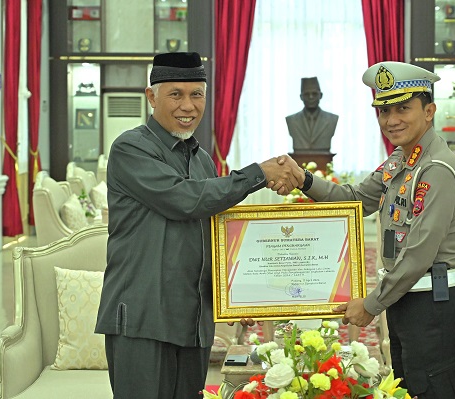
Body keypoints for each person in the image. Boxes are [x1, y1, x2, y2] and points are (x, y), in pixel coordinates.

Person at [94, 52, 304, 399]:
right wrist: (259, 174)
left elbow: (211, 237)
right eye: (175, 94)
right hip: (143, 319)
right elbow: (185, 199)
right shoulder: (130, 148)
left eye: (197, 94)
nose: (188, 105)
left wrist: (237, 297)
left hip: (193, 323)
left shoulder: (202, 159)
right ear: (152, 97)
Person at [291, 62, 455, 399]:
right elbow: (354, 199)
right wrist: (303, 179)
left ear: (429, 111)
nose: (392, 120)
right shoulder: (401, 160)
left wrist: (372, 303)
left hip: (435, 307)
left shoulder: (435, 168)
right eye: (384, 110)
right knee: (410, 391)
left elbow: (419, 253)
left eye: (403, 108)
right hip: (409, 300)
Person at [286, 77, 339, 153]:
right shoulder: (291, 120)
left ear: (320, 95)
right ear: (301, 97)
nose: (311, 97)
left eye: (314, 94)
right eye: (307, 94)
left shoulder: (332, 119)